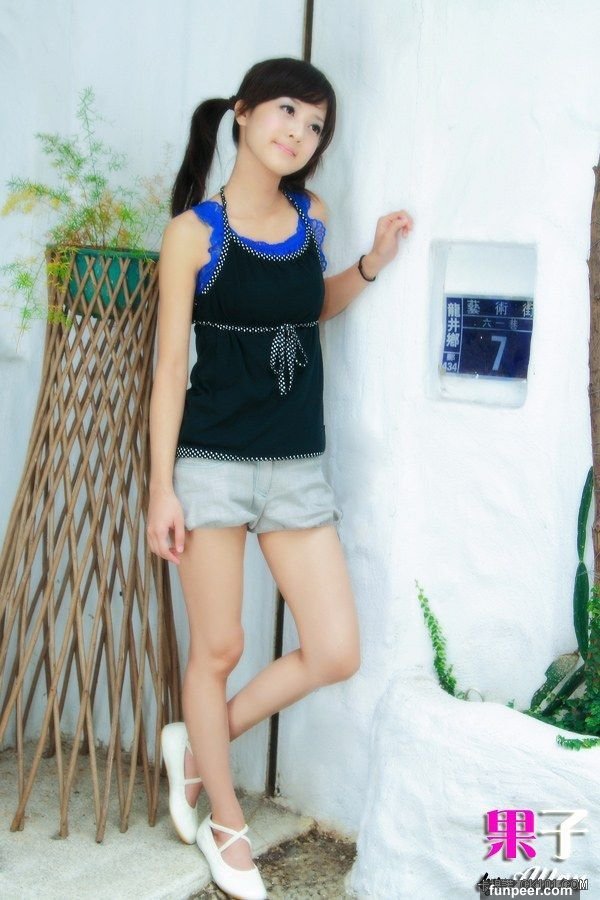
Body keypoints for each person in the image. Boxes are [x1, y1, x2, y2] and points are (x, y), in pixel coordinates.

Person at [147, 56, 413, 900]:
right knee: (219, 648)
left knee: (334, 649)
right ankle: (225, 822)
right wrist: (160, 489)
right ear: (243, 112)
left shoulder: (312, 218)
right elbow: (169, 369)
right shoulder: (194, 234)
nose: (300, 133)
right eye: (288, 111)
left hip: (297, 465)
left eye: (316, 124)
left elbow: (308, 307)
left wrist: (368, 265)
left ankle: (197, 744)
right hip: (212, 464)